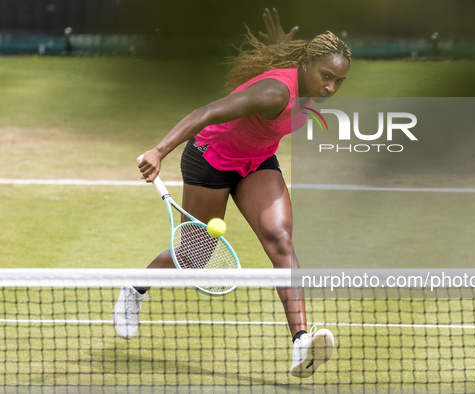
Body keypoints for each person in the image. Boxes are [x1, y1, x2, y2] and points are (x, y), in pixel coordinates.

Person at [113, 9, 351, 378]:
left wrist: (279, 47)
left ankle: (301, 340)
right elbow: (207, 111)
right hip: (212, 160)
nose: (331, 88)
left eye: (338, 81)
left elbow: (287, 70)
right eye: (326, 76)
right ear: (307, 66)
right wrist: (159, 151)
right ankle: (135, 288)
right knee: (193, 259)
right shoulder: (275, 93)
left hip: (256, 161)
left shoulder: (305, 86)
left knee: (281, 241)